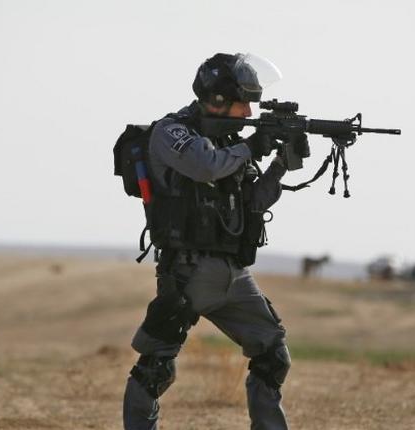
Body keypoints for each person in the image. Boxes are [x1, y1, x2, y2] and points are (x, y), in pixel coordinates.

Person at [122, 53, 294, 430]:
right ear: (216, 100)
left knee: (273, 355)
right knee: (156, 368)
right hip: (189, 271)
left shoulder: (231, 142)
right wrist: (252, 145)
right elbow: (204, 165)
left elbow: (252, 202)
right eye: (243, 101)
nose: (250, 112)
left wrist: (282, 162)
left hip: (235, 274)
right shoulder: (173, 132)